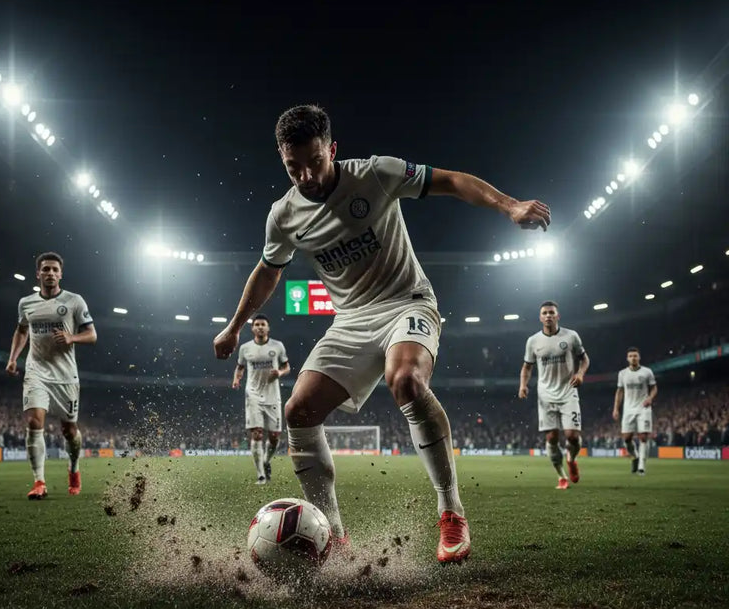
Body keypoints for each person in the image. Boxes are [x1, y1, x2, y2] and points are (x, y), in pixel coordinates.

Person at [214, 104, 550, 563]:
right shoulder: (283, 215)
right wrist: (234, 326)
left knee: (406, 380)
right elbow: (269, 270)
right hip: (350, 320)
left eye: (315, 162)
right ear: (282, 160)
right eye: (294, 168)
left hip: (407, 301)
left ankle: (451, 512)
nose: (307, 176)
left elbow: (452, 180)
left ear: (332, 149)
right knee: (298, 411)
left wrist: (510, 206)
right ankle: (335, 536)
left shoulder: (375, 174)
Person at [6, 252, 96, 499]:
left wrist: (72, 337)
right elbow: (21, 330)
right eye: (46, 269)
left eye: (55, 269)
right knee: (34, 422)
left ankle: (74, 469)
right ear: (38, 273)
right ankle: (39, 482)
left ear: (61, 274)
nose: (50, 273)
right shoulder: (26, 303)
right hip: (36, 372)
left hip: (66, 376)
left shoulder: (74, 301)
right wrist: (13, 358)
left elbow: (92, 335)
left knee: (69, 430)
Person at [518, 301, 589, 490]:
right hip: (545, 396)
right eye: (545, 313)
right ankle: (561, 477)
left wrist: (580, 374)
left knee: (572, 436)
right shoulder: (533, 341)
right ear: (540, 317)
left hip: (568, 392)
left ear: (558, 316)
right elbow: (527, 367)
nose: (548, 315)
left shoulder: (571, 336)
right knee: (551, 438)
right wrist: (523, 385)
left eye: (551, 312)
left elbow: (584, 359)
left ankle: (571, 458)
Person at [232, 313, 290, 484]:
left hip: (273, 395)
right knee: (257, 433)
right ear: (252, 328)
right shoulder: (245, 348)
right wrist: (236, 379)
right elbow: (240, 367)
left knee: (274, 436)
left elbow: (287, 366)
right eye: (257, 324)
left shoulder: (277, 346)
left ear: (268, 328)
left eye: (263, 324)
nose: (260, 327)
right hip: (253, 394)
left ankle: (266, 461)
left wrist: (280, 372)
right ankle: (261, 475)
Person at [612, 347, 657, 475]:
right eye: (631, 356)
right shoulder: (622, 374)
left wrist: (650, 398)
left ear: (639, 357)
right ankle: (635, 457)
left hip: (643, 408)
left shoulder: (647, 372)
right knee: (627, 438)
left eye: (635, 356)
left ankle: (642, 466)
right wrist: (616, 408)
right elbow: (619, 392)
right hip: (628, 409)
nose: (633, 358)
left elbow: (654, 388)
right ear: (627, 358)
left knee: (643, 437)